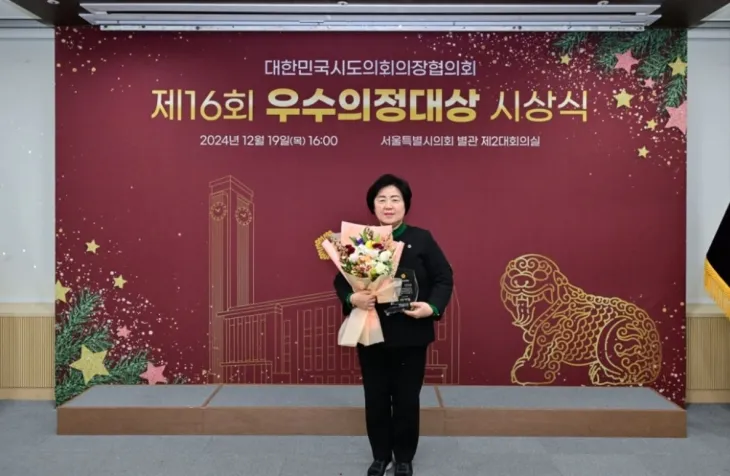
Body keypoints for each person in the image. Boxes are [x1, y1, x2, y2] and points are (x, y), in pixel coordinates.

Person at [333, 174, 454, 476]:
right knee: (375, 397)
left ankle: (403, 458)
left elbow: (444, 277)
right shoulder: (363, 240)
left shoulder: (422, 239)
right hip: (371, 330)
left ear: (405, 205)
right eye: (382, 199)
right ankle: (380, 456)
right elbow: (342, 279)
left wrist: (431, 307)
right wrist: (352, 298)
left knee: (406, 399)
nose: (388, 205)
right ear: (373, 206)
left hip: (411, 334)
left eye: (395, 199)